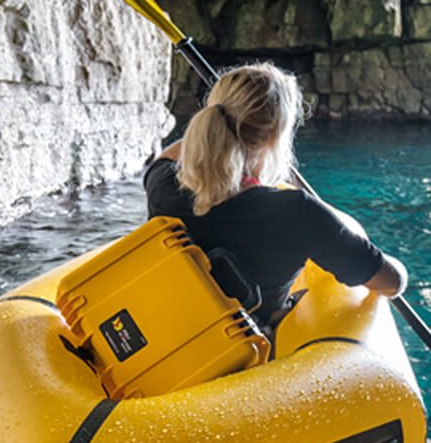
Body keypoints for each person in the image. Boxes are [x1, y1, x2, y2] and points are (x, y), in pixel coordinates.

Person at [143, 62, 407, 326]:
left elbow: (174, 155)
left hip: (166, 334)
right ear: (275, 136)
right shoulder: (297, 213)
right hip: (248, 359)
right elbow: (391, 283)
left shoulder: (162, 184)